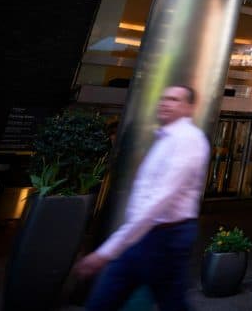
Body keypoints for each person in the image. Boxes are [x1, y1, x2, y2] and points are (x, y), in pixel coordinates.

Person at [73, 85, 210, 311]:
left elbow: (160, 199)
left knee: (163, 300)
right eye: (164, 98)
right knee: (112, 296)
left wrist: (107, 251)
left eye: (175, 99)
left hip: (165, 237)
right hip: (146, 234)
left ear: (189, 108)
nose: (166, 103)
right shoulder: (166, 138)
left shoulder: (188, 140)